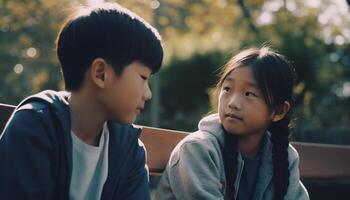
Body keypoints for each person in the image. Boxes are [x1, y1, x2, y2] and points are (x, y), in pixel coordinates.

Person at [0, 2, 163, 200]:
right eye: (143, 78)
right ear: (100, 73)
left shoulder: (130, 150)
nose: (148, 94)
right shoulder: (33, 127)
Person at [156, 47, 309, 200]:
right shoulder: (197, 149)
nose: (233, 103)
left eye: (249, 94)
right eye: (227, 89)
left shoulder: (285, 157)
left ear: (279, 111)